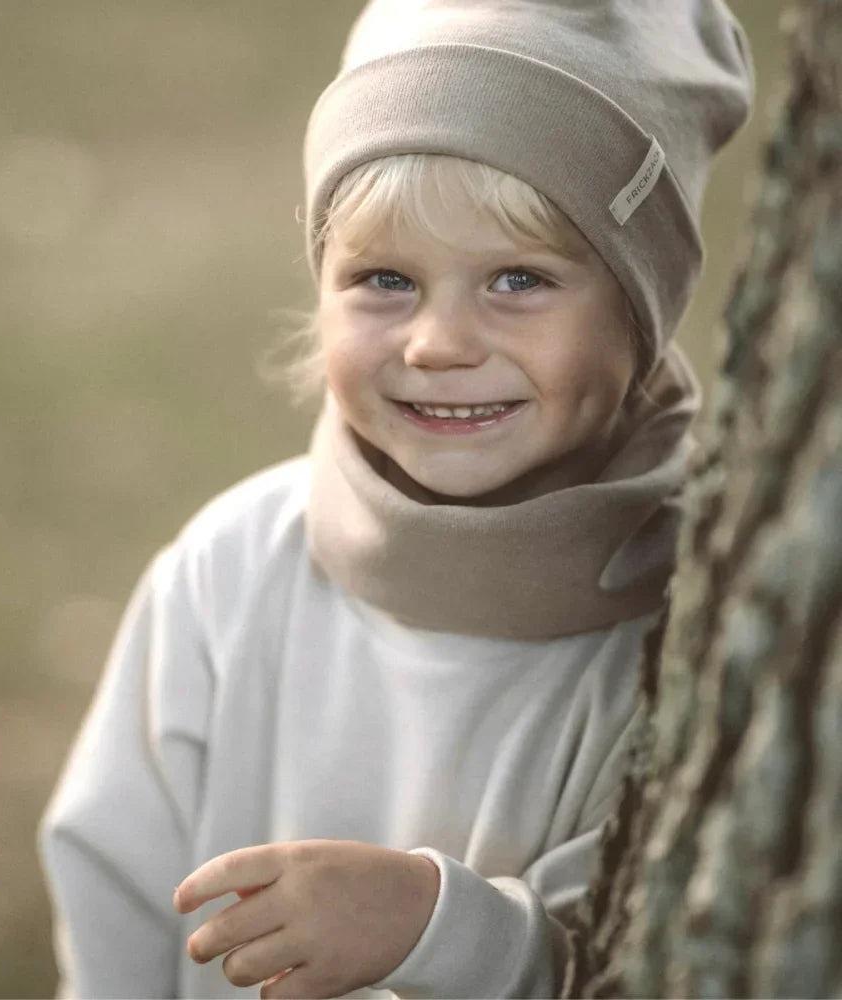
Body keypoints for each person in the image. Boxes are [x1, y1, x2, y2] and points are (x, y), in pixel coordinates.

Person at [38, 2, 753, 996]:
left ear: (639, 308)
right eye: (383, 279)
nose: (438, 344)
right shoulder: (229, 572)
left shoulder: (684, 626)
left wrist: (439, 927)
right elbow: (112, 891)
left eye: (516, 278)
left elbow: (655, 963)